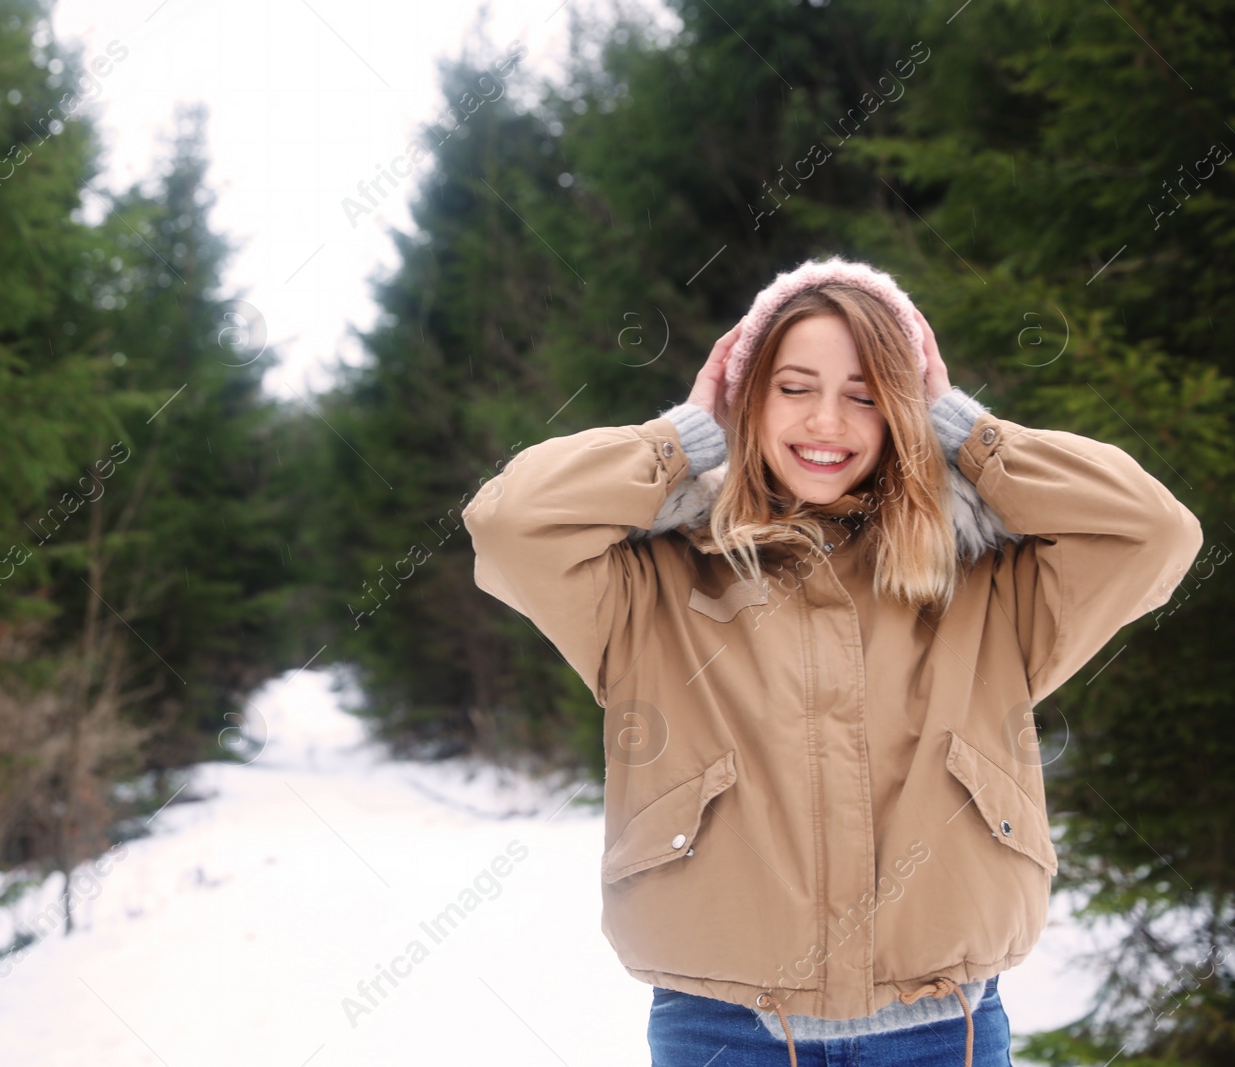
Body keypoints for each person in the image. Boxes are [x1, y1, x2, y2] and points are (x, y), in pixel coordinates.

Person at [460, 257, 1204, 1066]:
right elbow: (511, 523)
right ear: (747, 400)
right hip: (724, 1028)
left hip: (939, 1026)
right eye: (794, 387)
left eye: (865, 394)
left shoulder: (989, 584)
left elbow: (1155, 532)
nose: (826, 422)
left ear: (904, 412)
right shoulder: (652, 582)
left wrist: (964, 429)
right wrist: (684, 436)